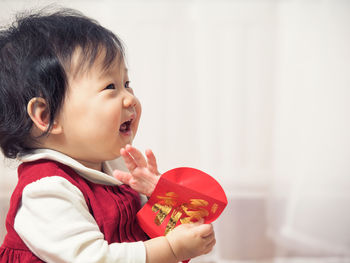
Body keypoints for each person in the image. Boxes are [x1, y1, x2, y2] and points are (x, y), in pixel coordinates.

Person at [0, 8, 215, 263]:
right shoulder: (47, 190)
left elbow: (158, 231)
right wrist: (171, 249)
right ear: (46, 116)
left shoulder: (118, 167)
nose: (130, 98)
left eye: (126, 83)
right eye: (110, 87)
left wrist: (162, 197)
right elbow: (94, 259)